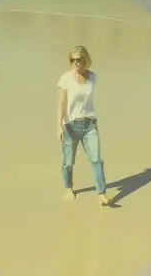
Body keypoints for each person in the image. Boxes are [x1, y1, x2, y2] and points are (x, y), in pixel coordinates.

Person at [57, 45, 110, 206]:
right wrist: (59, 126)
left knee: (96, 160)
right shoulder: (65, 78)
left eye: (78, 60)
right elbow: (61, 104)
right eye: (72, 60)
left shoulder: (92, 77)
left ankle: (101, 193)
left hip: (90, 124)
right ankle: (68, 188)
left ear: (85, 59)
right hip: (71, 126)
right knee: (68, 162)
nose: (75, 63)